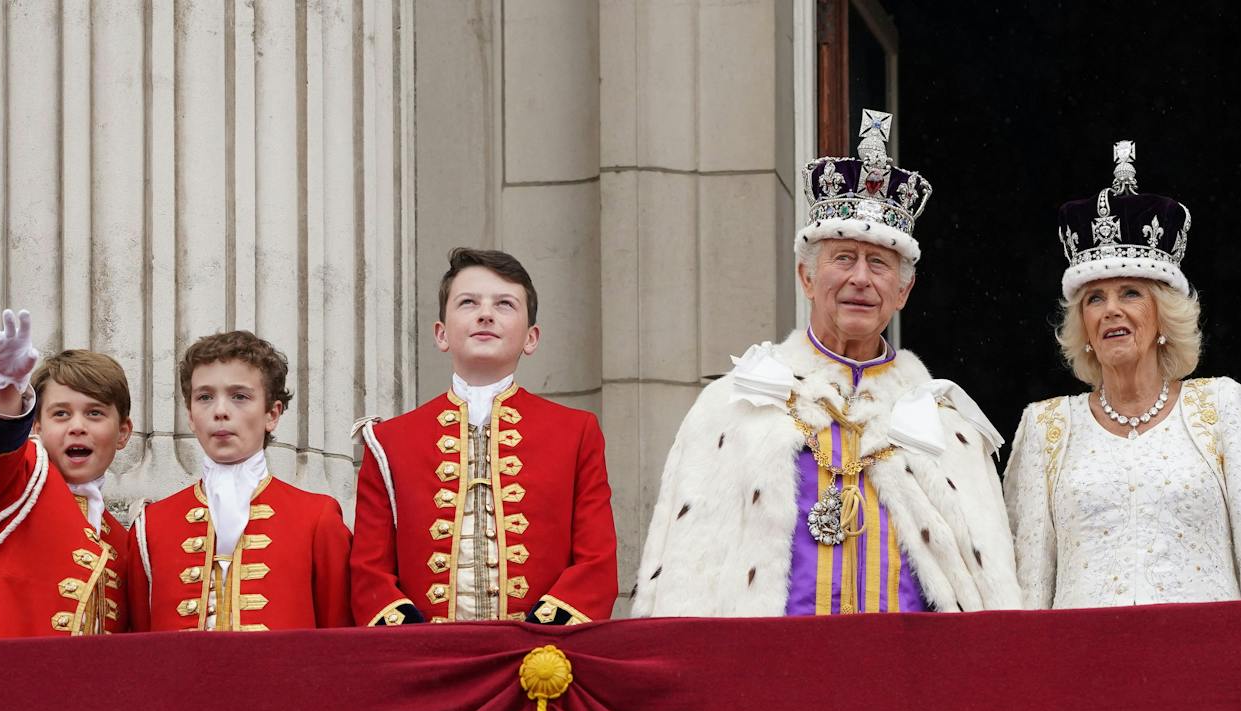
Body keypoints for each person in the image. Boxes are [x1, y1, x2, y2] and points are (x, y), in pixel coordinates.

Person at [633, 110, 1019, 617]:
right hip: (777, 674)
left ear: (903, 290)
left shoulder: (947, 425)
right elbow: (686, 575)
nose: (860, 278)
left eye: (879, 263)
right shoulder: (734, 404)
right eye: (842, 258)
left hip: (913, 677)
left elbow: (988, 592)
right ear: (807, 278)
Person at [1002, 141, 1241, 608]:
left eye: (1131, 293)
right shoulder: (1045, 428)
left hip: (1207, 665)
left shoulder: (1222, 407)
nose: (1112, 311)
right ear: (1081, 323)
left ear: (1164, 315)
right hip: (1086, 670)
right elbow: (1027, 590)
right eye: (1095, 298)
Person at [350, 247, 617, 626]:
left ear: (531, 337)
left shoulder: (576, 432)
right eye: (468, 302)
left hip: (540, 656)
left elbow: (597, 561)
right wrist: (413, 638)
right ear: (441, 334)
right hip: (425, 658)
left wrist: (540, 638)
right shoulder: (389, 441)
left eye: (505, 304)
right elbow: (368, 572)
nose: (486, 313)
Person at [126, 330, 352, 631]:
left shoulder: (316, 518)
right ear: (191, 416)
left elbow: (338, 639)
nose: (220, 411)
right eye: (204, 397)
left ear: (272, 414)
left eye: (239, 396)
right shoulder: (150, 526)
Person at [0, 310, 136, 639]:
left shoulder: (123, 541)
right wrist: (4, 392)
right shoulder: (17, 483)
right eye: (61, 414)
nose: (77, 426)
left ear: (122, 433)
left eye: (94, 414)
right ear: (36, 426)